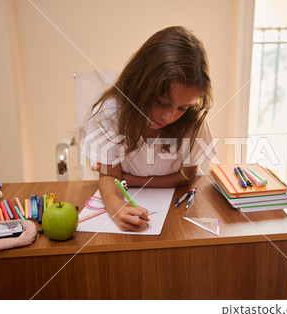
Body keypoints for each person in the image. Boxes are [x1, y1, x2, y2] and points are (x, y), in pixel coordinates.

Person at [83, 26, 216, 231]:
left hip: (175, 216)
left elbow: (187, 176)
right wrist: (117, 207)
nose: (169, 117)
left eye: (182, 107)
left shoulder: (192, 120)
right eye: (162, 102)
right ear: (139, 84)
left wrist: (128, 179)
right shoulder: (110, 113)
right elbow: (109, 177)